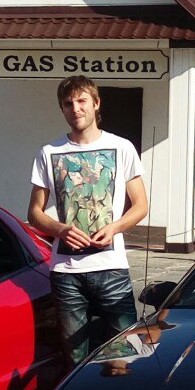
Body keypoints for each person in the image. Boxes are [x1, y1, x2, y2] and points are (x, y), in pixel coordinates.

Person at [29, 76, 149, 364]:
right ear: (62, 108)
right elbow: (34, 213)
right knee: (74, 358)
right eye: (68, 103)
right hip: (66, 273)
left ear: (96, 104)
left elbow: (141, 205)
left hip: (111, 269)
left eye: (82, 101)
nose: (76, 108)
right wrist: (61, 229)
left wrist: (115, 228)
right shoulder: (49, 152)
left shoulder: (121, 147)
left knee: (124, 354)